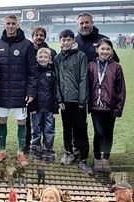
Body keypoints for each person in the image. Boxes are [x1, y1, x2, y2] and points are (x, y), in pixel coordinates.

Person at [0, 15, 37, 167]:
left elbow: (32, 70)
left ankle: (20, 152)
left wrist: (30, 91)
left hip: (20, 92)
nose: (10, 26)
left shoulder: (27, 45)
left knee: (21, 121)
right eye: (8, 23)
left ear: (18, 25)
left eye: (13, 24)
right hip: (2, 90)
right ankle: (2, 150)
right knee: (2, 120)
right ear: (4, 25)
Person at [88, 39, 126, 173]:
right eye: (102, 49)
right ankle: (97, 158)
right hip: (95, 106)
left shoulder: (117, 67)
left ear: (112, 51)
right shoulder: (91, 65)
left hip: (110, 106)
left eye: (108, 49)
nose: (105, 51)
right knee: (99, 133)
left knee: (108, 133)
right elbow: (87, 86)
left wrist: (118, 108)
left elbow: (121, 89)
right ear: (97, 50)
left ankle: (106, 158)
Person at [55, 29, 90, 172]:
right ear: (60, 41)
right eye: (63, 40)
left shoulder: (81, 56)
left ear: (73, 41)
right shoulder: (58, 58)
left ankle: (83, 158)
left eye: (69, 40)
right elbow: (57, 80)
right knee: (66, 128)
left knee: (81, 129)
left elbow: (84, 78)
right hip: (65, 101)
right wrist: (59, 99)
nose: (66, 42)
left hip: (78, 101)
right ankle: (68, 152)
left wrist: (82, 100)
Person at [28, 48, 60, 163]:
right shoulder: (33, 72)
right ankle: (36, 150)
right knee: (36, 129)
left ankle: (48, 150)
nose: (43, 59)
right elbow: (31, 90)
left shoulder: (52, 72)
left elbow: (55, 91)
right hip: (36, 107)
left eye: (45, 57)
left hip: (49, 107)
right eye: (40, 57)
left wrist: (56, 109)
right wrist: (31, 106)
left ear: (49, 58)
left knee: (49, 129)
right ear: (36, 58)